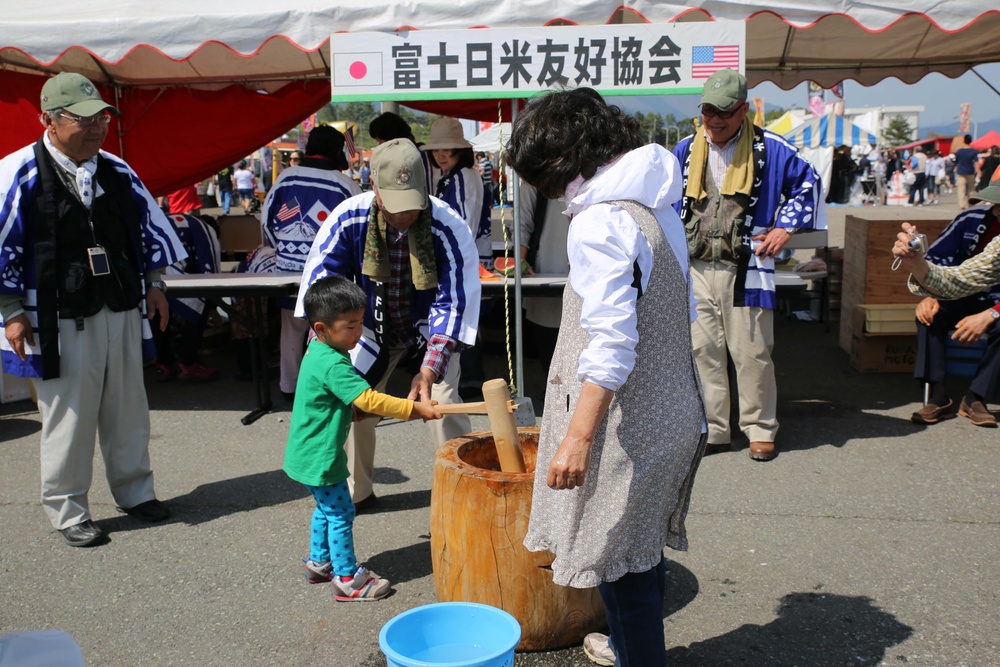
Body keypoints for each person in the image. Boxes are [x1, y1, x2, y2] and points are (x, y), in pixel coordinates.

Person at [507, 87, 706, 667]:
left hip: (627, 424)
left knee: (624, 571)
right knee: (637, 552)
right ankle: (624, 645)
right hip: (673, 408)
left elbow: (613, 344)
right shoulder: (656, 207)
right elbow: (677, 314)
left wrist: (576, 437)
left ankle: (637, 653)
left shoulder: (598, 222)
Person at [0, 72, 187, 547]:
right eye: (81, 120)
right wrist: (10, 310)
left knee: (128, 406)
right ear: (48, 119)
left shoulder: (118, 170)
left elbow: (147, 231)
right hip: (57, 315)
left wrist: (155, 284)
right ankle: (68, 510)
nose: (96, 128)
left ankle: (135, 491)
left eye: (101, 117)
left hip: (120, 305)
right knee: (68, 414)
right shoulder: (17, 172)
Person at [295, 138, 481, 509]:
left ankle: (465, 495)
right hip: (365, 329)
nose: (403, 215)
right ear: (375, 190)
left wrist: (429, 369)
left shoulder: (447, 225)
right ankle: (355, 493)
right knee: (353, 407)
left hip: (428, 328)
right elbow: (322, 291)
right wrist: (328, 356)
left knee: (442, 407)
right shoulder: (350, 217)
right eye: (394, 206)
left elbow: (454, 301)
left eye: (411, 205)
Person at [672, 68, 825, 462]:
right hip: (697, 265)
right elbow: (667, 201)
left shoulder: (771, 148)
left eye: (724, 111)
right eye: (708, 110)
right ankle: (713, 428)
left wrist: (785, 228)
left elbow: (810, 185)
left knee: (752, 350)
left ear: (744, 110)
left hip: (748, 264)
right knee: (702, 349)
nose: (715, 119)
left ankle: (760, 428)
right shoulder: (686, 149)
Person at [284, 275, 441, 600]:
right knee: (341, 513)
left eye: (359, 323)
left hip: (305, 452)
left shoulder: (317, 349)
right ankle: (346, 579)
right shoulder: (333, 364)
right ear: (322, 328)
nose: (357, 333)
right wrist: (415, 410)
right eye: (349, 326)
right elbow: (369, 399)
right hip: (322, 457)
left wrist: (353, 410)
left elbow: (338, 401)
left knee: (325, 507)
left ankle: (319, 561)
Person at [261, 125, 361, 400]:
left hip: (288, 269)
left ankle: (289, 387)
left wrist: (282, 250)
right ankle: (332, 388)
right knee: (332, 333)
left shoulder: (286, 178)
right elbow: (357, 230)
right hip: (330, 271)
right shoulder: (345, 184)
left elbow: (266, 221)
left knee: (291, 331)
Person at [893, 173, 1000, 428]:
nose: (996, 212)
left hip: (995, 302)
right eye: (994, 204)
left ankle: (978, 397)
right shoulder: (974, 223)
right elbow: (962, 276)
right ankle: (938, 396)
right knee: (932, 315)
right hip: (971, 297)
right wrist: (918, 267)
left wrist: (993, 313)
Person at [153, 213, 222, 382]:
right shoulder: (206, 230)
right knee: (201, 300)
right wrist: (214, 308)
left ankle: (165, 362)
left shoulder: (176, 220)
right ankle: (189, 363)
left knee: (157, 311)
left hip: (154, 270)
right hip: (175, 274)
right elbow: (211, 272)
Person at [368, 111, 438, 195]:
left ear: (390, 140)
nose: (379, 146)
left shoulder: (419, 157)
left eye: (379, 142)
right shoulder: (424, 154)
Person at [954, 135, 981, 210]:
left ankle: (962, 205)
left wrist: (957, 169)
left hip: (961, 172)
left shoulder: (959, 151)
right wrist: (979, 171)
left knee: (961, 189)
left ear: (964, 141)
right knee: (971, 189)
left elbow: (957, 162)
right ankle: (971, 203)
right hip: (970, 172)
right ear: (971, 141)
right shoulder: (974, 151)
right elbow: (976, 162)